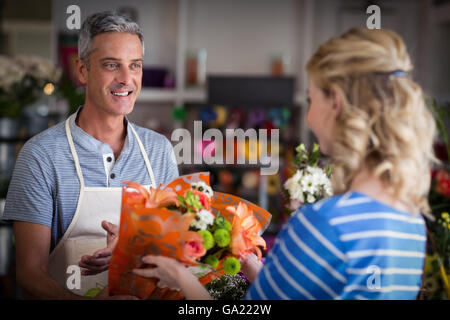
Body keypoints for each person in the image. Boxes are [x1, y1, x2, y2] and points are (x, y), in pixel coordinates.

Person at [132, 28, 436, 300]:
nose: (308, 116)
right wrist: (251, 263)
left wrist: (181, 278)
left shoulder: (322, 224)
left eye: (311, 98)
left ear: (336, 103)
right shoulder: (410, 220)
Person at [2, 11, 179, 299]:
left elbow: (174, 251)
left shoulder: (159, 151)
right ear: (82, 70)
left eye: (135, 65)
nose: (126, 79)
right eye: (112, 65)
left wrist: (128, 252)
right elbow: (30, 274)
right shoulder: (40, 156)